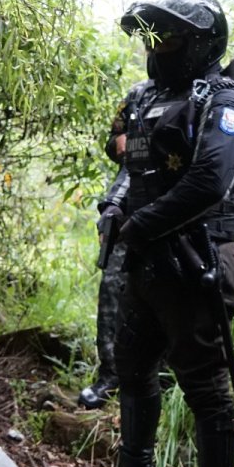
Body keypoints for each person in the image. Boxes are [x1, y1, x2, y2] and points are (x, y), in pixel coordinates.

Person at [107, 0, 234, 467]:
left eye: (170, 37)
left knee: (204, 387)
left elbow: (210, 181)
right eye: (153, 37)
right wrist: (117, 208)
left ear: (201, 41)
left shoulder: (228, 101)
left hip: (198, 259)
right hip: (148, 261)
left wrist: (141, 225)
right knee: (131, 364)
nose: (159, 47)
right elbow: (136, 167)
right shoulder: (149, 97)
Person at [78, 84, 143, 410]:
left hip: (170, 209)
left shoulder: (199, 94)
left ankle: (160, 378)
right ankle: (111, 375)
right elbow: (113, 140)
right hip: (124, 206)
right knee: (112, 292)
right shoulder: (138, 95)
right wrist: (118, 144)